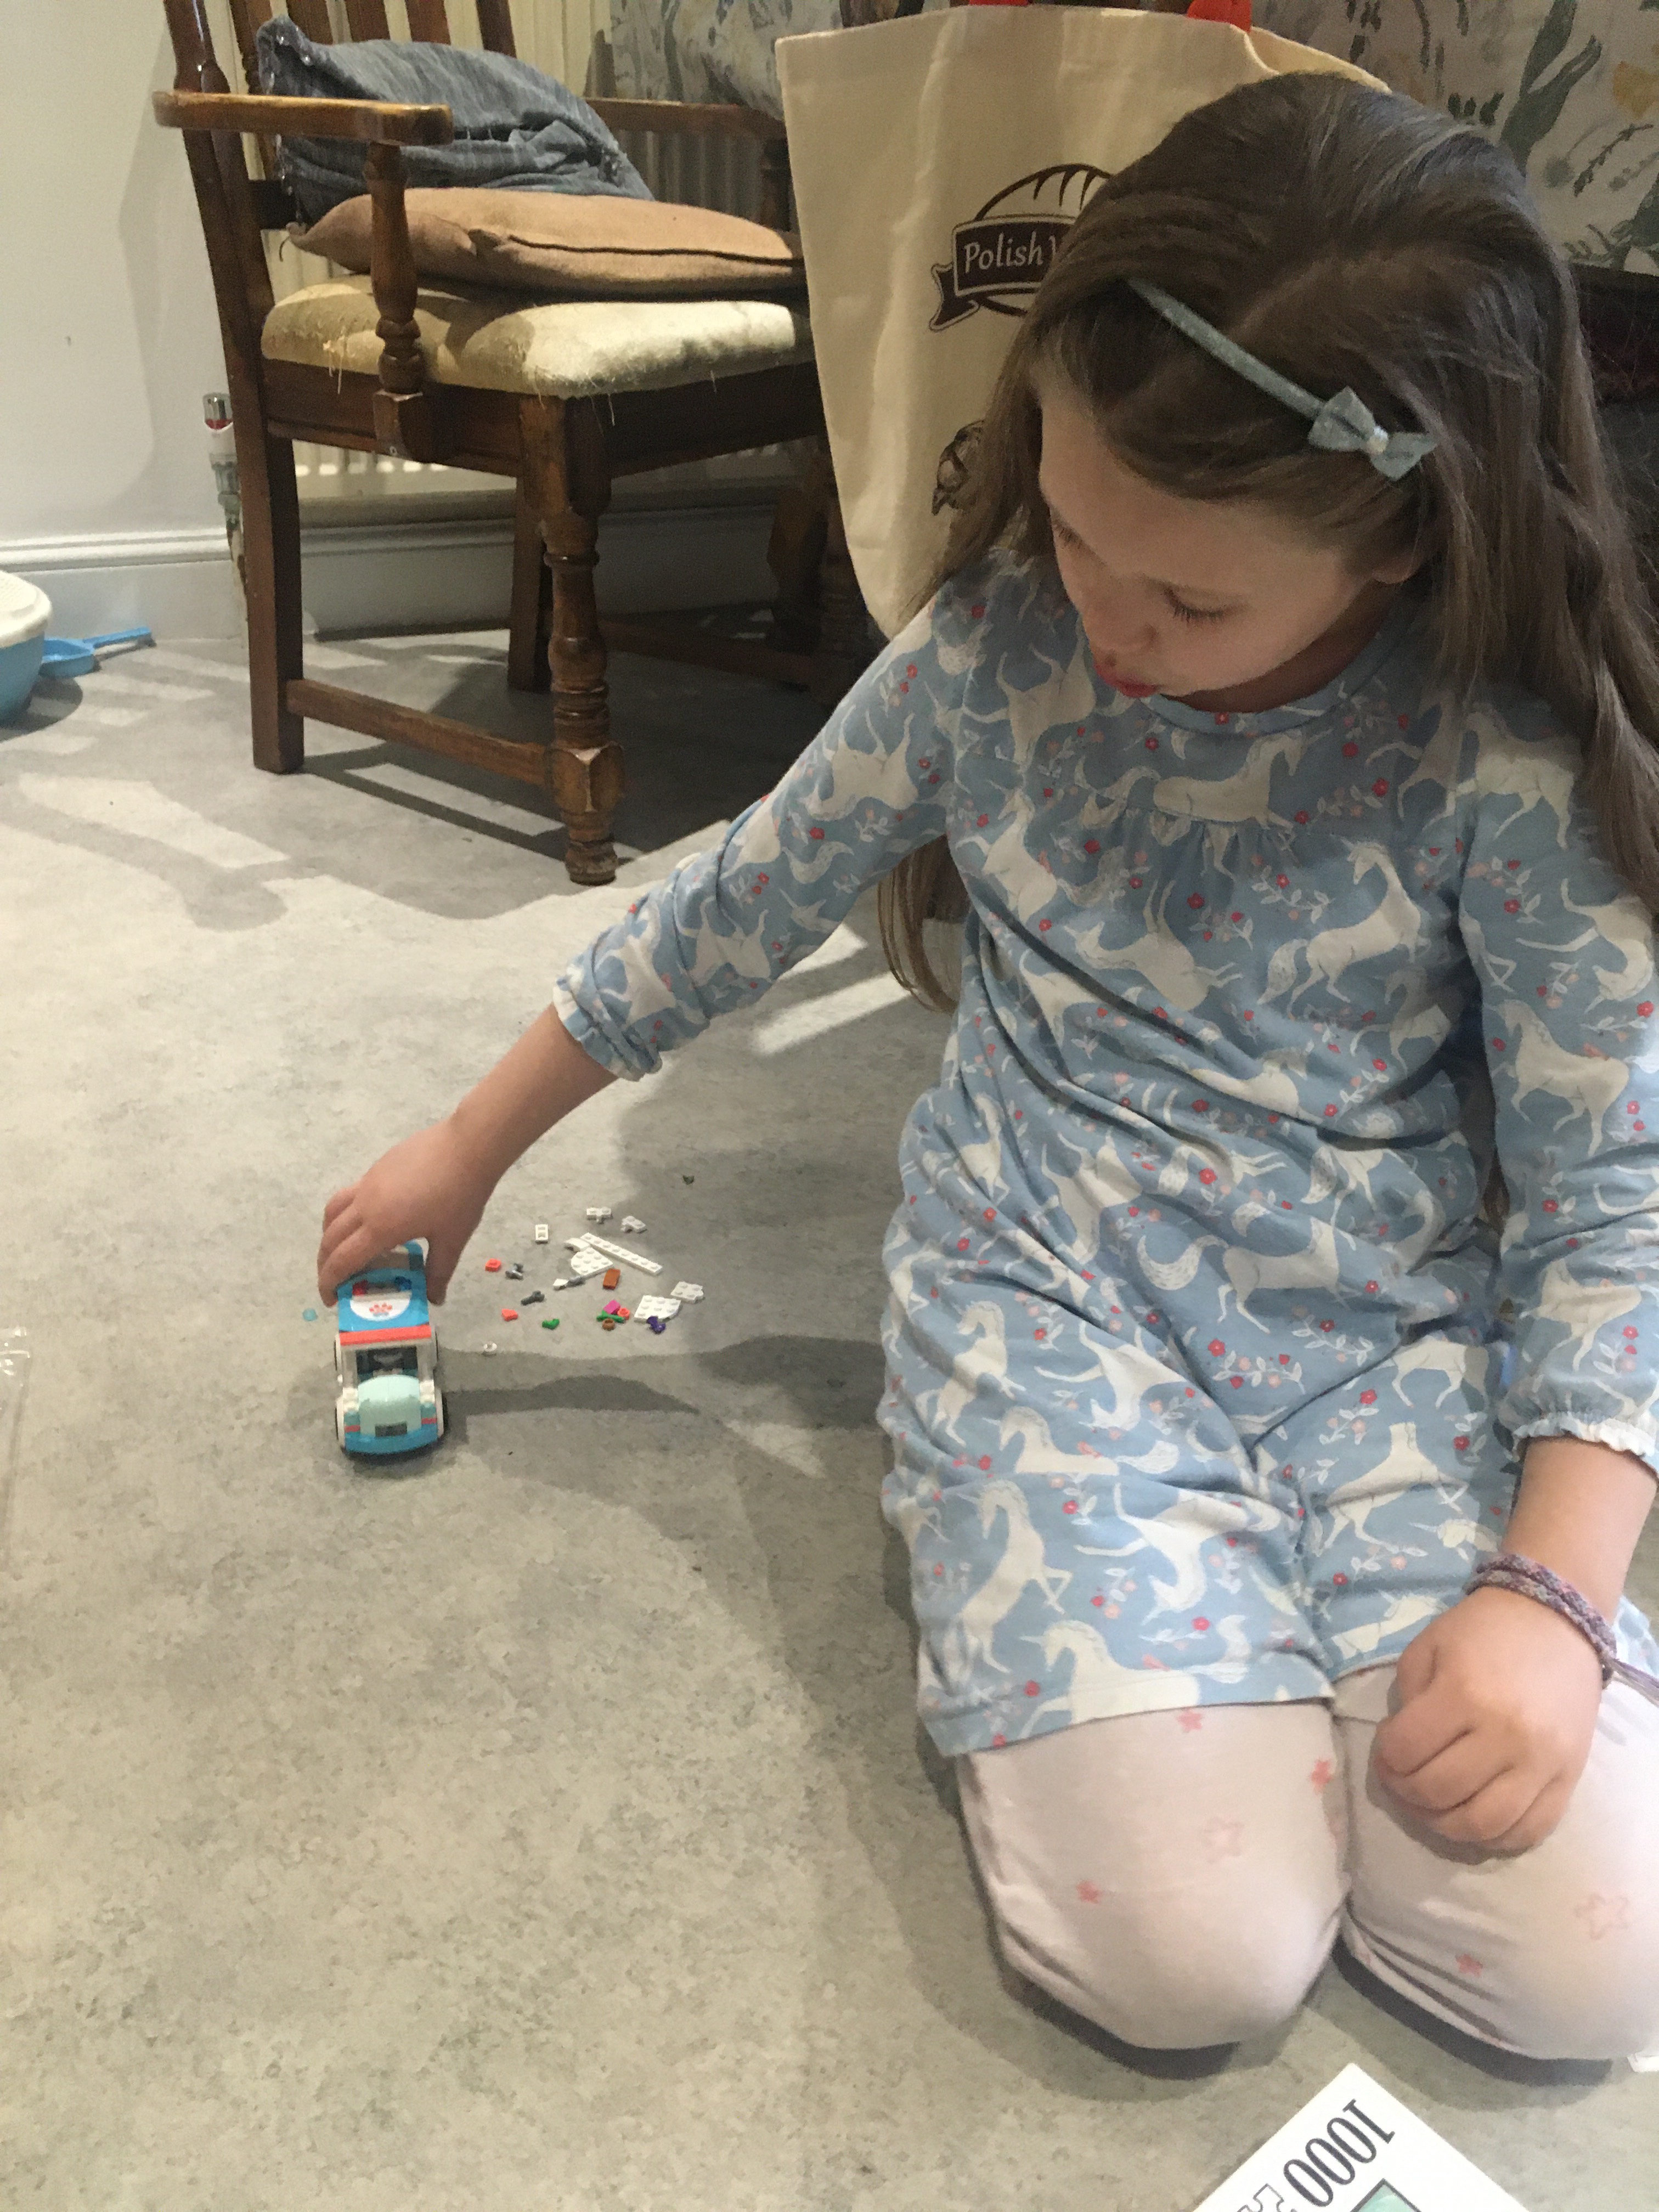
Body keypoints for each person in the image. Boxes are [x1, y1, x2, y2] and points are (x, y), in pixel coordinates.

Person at [317, 74, 1659, 2062]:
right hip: (1051, 1308)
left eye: (1191, 597)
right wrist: (466, 1145)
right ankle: (1136, 1634)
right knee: (1197, 1959)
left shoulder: (1503, 753)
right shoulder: (995, 649)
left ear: (1401, 535)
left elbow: (1614, 1190)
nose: (1102, 624)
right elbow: (735, 907)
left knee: (1596, 1968)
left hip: (1385, 1337)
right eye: (1075, 526)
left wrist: (1551, 1597)